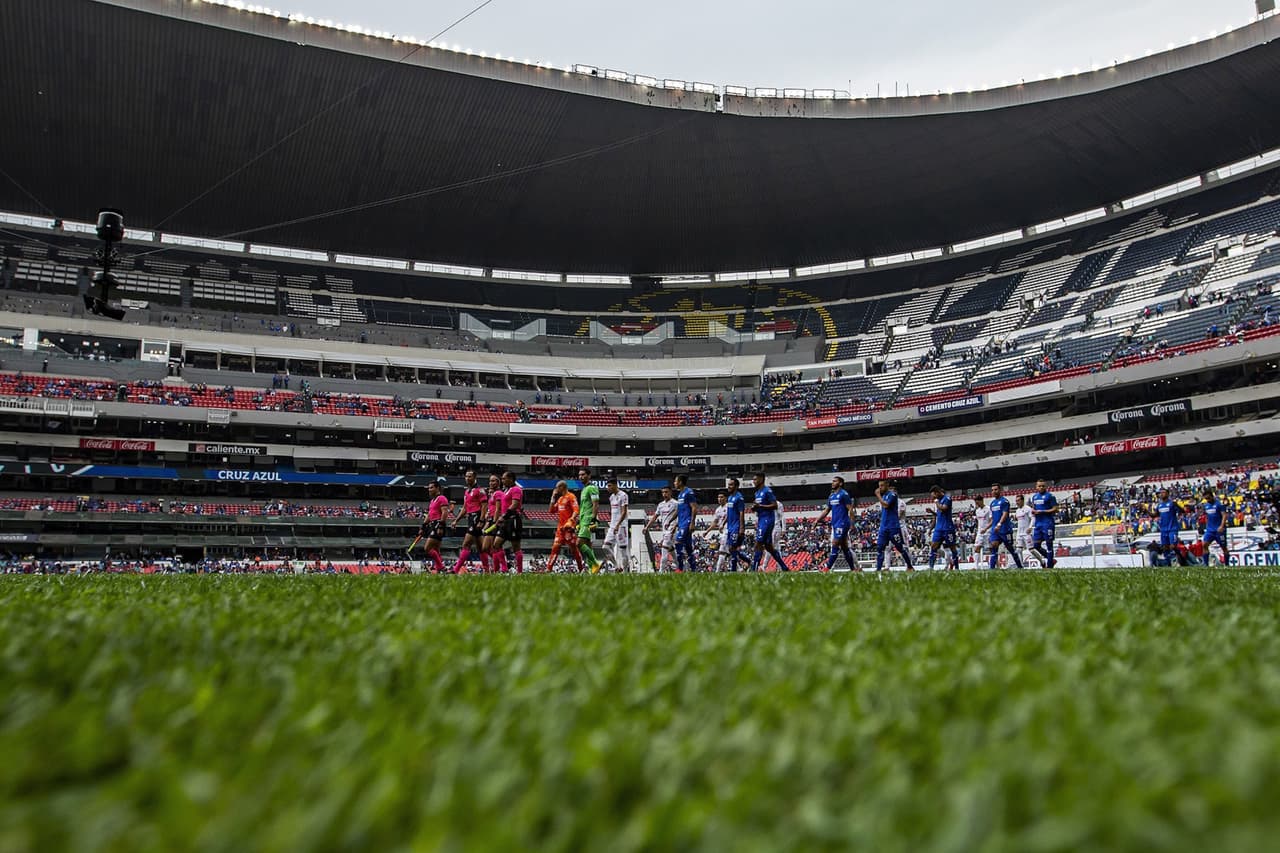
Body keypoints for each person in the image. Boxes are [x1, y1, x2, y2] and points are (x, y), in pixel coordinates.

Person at [815, 475, 857, 572]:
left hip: (843, 523)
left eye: (835, 481)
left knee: (835, 544)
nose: (832, 483)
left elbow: (850, 509)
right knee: (845, 547)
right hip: (835, 524)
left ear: (840, 483)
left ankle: (826, 569)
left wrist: (852, 523)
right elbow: (827, 510)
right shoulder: (832, 496)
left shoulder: (844, 494)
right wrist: (817, 520)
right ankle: (853, 569)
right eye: (832, 481)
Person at [450, 469, 488, 573]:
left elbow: (484, 506)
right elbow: (464, 508)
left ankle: (455, 570)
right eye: (466, 476)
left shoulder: (480, 490)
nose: (467, 478)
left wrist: (481, 520)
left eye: (470, 476)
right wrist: (456, 520)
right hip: (471, 518)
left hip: (476, 517)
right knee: (481, 548)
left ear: (475, 477)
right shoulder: (467, 491)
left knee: (466, 545)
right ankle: (487, 571)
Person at [750, 473, 788, 572]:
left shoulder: (767, 491)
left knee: (758, 543)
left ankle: (754, 569)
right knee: (769, 547)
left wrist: (761, 506)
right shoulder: (757, 493)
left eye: (755, 479)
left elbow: (774, 505)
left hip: (768, 520)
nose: (753, 481)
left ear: (761, 479)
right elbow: (758, 507)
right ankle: (784, 567)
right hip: (761, 519)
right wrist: (754, 508)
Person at [874, 479, 914, 571]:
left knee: (900, 547)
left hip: (893, 526)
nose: (880, 488)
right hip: (884, 527)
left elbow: (886, 505)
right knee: (880, 548)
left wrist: (878, 495)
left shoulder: (892, 495)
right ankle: (879, 569)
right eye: (879, 486)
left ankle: (909, 566)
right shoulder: (884, 496)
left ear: (887, 485)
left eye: (882, 486)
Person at [547, 481, 583, 573]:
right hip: (560, 529)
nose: (556, 489)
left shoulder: (571, 496)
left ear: (562, 487)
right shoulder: (559, 499)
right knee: (555, 548)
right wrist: (553, 497)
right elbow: (551, 510)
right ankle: (548, 569)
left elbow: (576, 510)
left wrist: (571, 519)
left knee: (574, 549)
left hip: (568, 528)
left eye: (557, 487)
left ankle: (581, 569)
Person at [492, 471, 524, 574]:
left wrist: (504, 516)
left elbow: (514, 505)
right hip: (505, 521)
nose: (502, 481)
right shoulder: (506, 490)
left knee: (516, 547)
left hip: (513, 520)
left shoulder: (516, 489)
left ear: (511, 479)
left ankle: (519, 572)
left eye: (504, 479)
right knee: (496, 544)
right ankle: (504, 569)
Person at [418, 481, 453, 573]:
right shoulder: (432, 501)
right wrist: (423, 527)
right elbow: (429, 516)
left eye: (431, 487)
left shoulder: (442, 498)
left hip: (438, 524)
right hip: (432, 525)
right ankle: (439, 572)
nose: (429, 490)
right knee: (436, 550)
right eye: (429, 488)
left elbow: (445, 512)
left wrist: (440, 526)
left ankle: (442, 567)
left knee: (427, 548)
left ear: (437, 488)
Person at [987, 483, 1024, 569]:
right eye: (992, 490)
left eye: (996, 489)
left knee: (1011, 549)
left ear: (1000, 490)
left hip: (1005, 530)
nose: (994, 491)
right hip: (995, 530)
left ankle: (1020, 567)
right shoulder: (992, 503)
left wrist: (999, 524)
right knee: (993, 546)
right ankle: (992, 569)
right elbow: (993, 518)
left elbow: (1005, 514)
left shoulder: (1004, 501)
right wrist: (987, 527)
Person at [644, 486, 679, 572]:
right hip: (664, 530)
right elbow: (654, 517)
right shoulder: (660, 505)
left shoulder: (675, 503)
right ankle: (679, 564)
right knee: (670, 549)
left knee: (664, 548)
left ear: (670, 492)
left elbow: (680, 516)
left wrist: (675, 527)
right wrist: (647, 527)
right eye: (663, 492)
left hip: (672, 530)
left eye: (666, 492)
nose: (664, 494)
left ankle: (661, 572)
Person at [715, 480, 747, 572]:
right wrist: (723, 524)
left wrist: (741, 527)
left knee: (731, 549)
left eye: (731, 485)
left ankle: (734, 570)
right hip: (729, 527)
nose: (729, 486)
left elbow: (741, 513)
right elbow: (729, 513)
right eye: (728, 485)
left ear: (736, 486)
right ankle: (742, 565)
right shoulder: (730, 498)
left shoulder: (739, 498)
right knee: (731, 549)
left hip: (736, 527)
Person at [1150, 487, 1185, 567]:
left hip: (1172, 528)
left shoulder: (1172, 503)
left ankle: (1180, 559)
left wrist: (1178, 506)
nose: (1161, 494)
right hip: (1163, 529)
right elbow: (1154, 515)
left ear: (1168, 494)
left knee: (1172, 546)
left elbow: (1182, 511)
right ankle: (1169, 564)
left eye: (1163, 492)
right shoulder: (1160, 505)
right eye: (1160, 493)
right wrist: (1146, 510)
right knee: (1165, 548)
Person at [926, 485, 959, 571]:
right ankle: (930, 568)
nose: (933, 497)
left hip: (948, 528)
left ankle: (957, 568)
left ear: (937, 492)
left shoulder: (947, 499)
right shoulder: (939, 501)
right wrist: (932, 512)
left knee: (952, 548)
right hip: (939, 528)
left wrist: (936, 502)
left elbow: (944, 509)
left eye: (934, 495)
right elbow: (939, 514)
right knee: (933, 547)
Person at [577, 468, 603, 573]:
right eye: (579, 475)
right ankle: (593, 569)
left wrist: (593, 519)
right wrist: (579, 521)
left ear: (589, 476)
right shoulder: (584, 489)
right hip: (583, 520)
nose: (581, 477)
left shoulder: (592, 488)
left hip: (588, 519)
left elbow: (596, 504)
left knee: (578, 543)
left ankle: (596, 564)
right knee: (588, 545)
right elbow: (583, 506)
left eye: (583, 475)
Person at [1030, 479, 1058, 569]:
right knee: (1036, 545)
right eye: (1039, 486)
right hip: (1038, 524)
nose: (1041, 487)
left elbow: (1055, 509)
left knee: (1049, 545)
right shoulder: (1034, 497)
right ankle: (1051, 559)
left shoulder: (1050, 496)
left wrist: (1042, 511)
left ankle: (1050, 566)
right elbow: (1034, 509)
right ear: (1036, 487)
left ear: (1045, 486)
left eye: (1043, 486)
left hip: (1048, 523)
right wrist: (1034, 511)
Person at [673, 474, 699, 572]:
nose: (674, 483)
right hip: (681, 523)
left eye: (675, 481)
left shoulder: (689, 492)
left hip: (687, 523)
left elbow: (694, 507)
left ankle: (680, 569)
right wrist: (672, 520)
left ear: (680, 482)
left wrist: (692, 523)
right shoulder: (680, 494)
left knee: (678, 542)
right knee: (688, 548)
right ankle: (693, 569)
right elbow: (679, 511)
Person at [605, 477, 630, 572]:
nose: (608, 488)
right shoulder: (611, 497)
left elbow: (624, 512)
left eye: (610, 486)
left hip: (621, 526)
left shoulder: (623, 495)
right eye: (607, 486)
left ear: (615, 485)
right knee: (605, 547)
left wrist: (618, 524)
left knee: (623, 549)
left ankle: (626, 571)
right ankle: (617, 566)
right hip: (612, 526)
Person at [1200, 487, 1230, 566]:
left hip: (1219, 529)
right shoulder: (1206, 505)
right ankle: (1206, 565)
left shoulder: (1219, 504)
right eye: (1206, 498)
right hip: (1210, 530)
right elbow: (1208, 516)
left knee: (1223, 547)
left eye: (1208, 498)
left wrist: (1221, 526)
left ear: (1212, 496)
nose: (1207, 500)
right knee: (1204, 545)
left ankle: (1227, 565)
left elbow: (1224, 515)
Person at [481, 473, 504, 572]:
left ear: (498, 483)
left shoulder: (498, 493)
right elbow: (491, 509)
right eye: (490, 481)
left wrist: (494, 522)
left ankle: (498, 569)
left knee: (493, 547)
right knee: (486, 547)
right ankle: (500, 564)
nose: (491, 483)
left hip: (495, 521)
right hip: (490, 520)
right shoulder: (493, 494)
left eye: (493, 481)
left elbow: (498, 509)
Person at [1014, 494, 1035, 566]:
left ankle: (1042, 562)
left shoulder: (1028, 509)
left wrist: (1030, 527)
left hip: (1026, 533)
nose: (1017, 502)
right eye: (1016, 501)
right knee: (1018, 550)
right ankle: (1021, 567)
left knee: (1031, 550)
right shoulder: (1017, 511)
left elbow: (1033, 518)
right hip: (1019, 533)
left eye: (1018, 500)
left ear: (1022, 501)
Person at [973, 499, 992, 571]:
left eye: (977, 502)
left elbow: (991, 521)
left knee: (991, 549)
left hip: (988, 532)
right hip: (980, 533)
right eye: (976, 503)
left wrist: (986, 529)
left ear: (981, 501)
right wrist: (978, 531)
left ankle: (995, 565)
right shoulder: (977, 511)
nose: (977, 504)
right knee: (977, 548)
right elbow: (979, 522)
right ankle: (976, 566)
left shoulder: (988, 509)